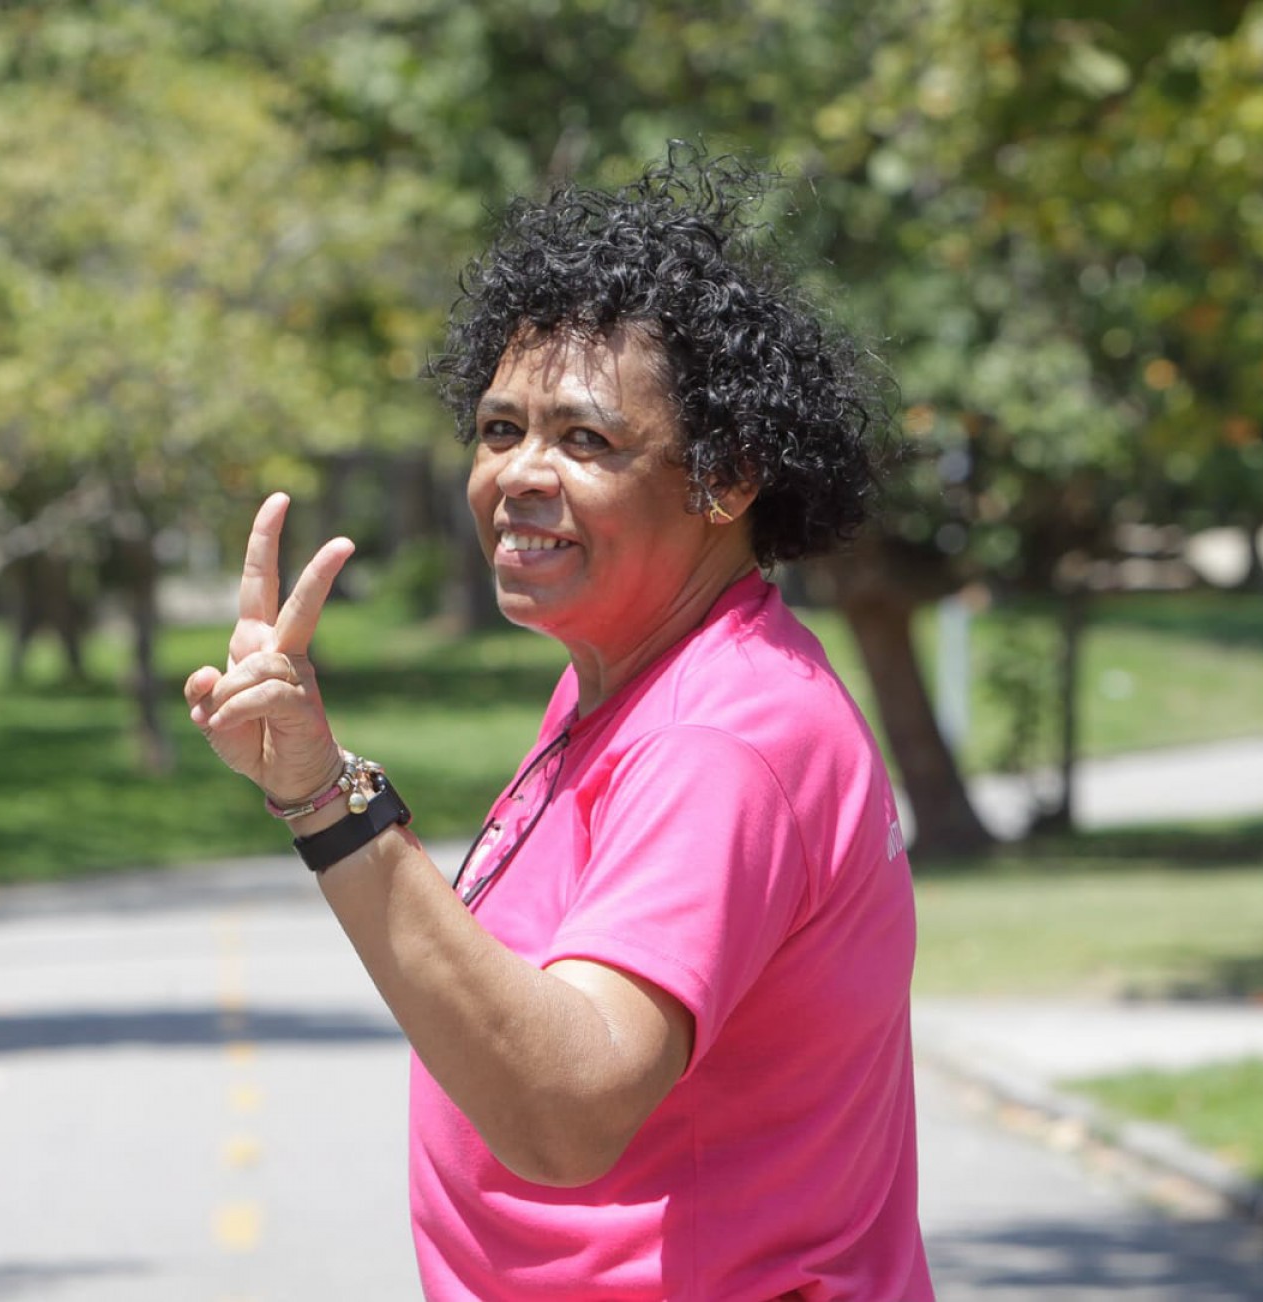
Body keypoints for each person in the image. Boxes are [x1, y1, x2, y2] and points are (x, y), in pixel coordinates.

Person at [184, 149, 933, 1302]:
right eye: (498, 430)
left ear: (724, 479)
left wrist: (331, 807)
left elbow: (566, 1109)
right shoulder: (633, 673)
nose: (519, 475)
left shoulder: (715, 744)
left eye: (585, 441)